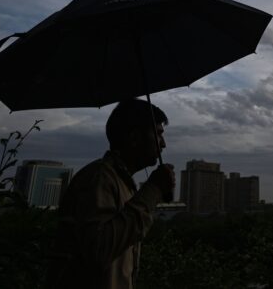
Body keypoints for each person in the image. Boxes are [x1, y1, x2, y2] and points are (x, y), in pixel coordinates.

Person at [46, 99, 176, 289]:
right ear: (134, 137)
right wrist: (153, 189)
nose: (163, 144)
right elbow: (100, 249)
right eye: (157, 134)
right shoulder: (99, 179)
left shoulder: (121, 182)